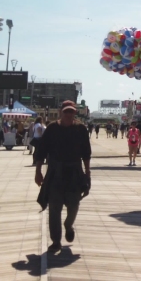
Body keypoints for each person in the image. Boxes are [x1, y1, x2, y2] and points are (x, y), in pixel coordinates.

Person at [35, 103, 91, 252]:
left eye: (71, 112)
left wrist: (88, 174)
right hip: (55, 172)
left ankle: (68, 225)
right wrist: (38, 171)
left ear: (75, 113)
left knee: (74, 205)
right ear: (61, 112)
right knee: (54, 208)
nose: (69, 114)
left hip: (74, 172)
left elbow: (86, 153)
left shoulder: (81, 129)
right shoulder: (52, 129)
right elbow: (41, 151)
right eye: (66, 112)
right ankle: (56, 241)